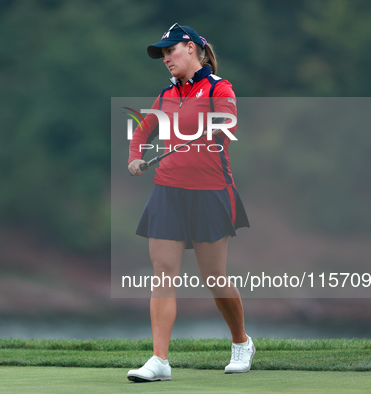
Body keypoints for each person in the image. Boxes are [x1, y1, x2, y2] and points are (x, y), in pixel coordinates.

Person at [126, 24, 254, 382]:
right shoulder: (165, 95)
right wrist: (135, 155)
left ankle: (241, 342)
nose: (166, 58)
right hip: (167, 190)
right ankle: (160, 360)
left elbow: (229, 116)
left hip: (211, 192)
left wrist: (218, 125)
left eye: (171, 50)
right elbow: (142, 129)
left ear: (192, 48)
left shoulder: (218, 86)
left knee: (214, 277)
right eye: (162, 54)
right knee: (163, 274)